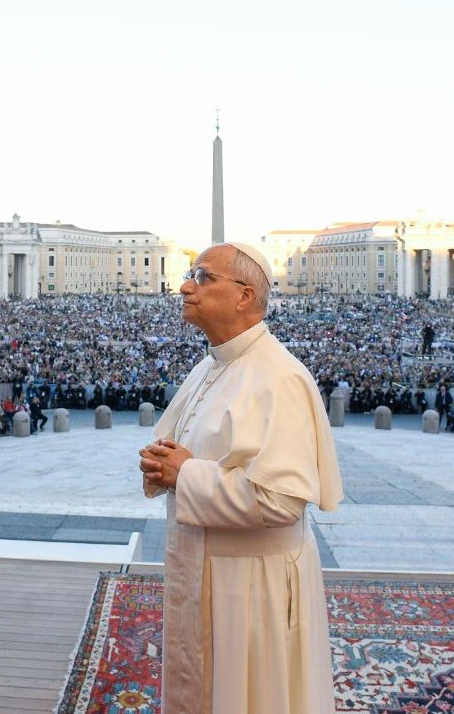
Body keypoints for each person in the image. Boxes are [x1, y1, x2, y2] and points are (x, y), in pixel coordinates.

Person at [138, 242, 342, 714]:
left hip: (250, 588)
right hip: (206, 570)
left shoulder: (279, 377)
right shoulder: (212, 365)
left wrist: (183, 473)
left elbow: (280, 501)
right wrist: (163, 465)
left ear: (244, 295)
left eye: (203, 277)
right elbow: (188, 452)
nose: (186, 286)